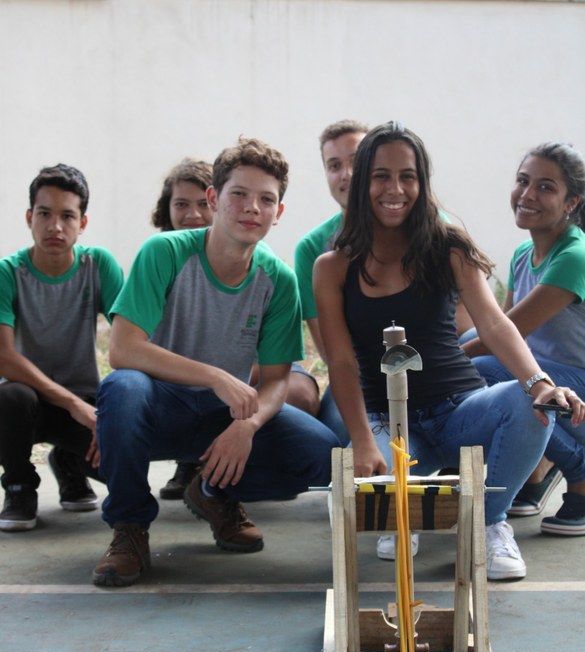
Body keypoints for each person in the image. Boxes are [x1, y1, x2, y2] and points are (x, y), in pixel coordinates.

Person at [313, 121, 585, 580]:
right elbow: (339, 361)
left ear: (422, 183)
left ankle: (489, 523)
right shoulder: (332, 267)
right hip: (389, 423)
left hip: (460, 410)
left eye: (408, 176)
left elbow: (495, 324)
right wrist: (360, 439)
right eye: (381, 176)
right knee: (382, 508)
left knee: (530, 402)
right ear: (362, 184)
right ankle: (409, 519)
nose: (395, 189)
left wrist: (539, 383)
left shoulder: (449, 247)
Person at [93, 137, 340, 587]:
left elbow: (277, 381)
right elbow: (123, 349)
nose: (252, 208)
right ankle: (129, 528)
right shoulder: (164, 252)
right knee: (122, 387)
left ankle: (212, 490)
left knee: (323, 454)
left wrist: (248, 426)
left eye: (266, 199)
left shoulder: (279, 280)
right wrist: (215, 376)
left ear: (278, 212)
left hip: (224, 416)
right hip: (159, 407)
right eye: (239, 194)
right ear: (214, 198)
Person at [463, 141, 585, 536]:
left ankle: (579, 469)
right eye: (523, 181)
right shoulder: (522, 254)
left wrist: (442, 362)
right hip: (554, 381)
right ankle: (537, 471)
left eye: (546, 187)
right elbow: (498, 328)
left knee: (482, 368)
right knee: (480, 351)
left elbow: (504, 335)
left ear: (572, 202)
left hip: (578, 389)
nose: (528, 194)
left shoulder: (574, 257)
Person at [0, 164, 124, 531]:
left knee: (118, 466)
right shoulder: (8, 273)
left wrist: (114, 413)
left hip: (85, 398)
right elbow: (4, 358)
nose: (55, 226)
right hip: (27, 401)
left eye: (67, 216)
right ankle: (19, 487)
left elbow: (132, 339)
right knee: (10, 397)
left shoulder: (98, 265)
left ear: (82, 223)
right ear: (29, 218)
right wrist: (71, 404)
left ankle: (69, 463)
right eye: (44, 214)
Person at [294, 119, 368, 445]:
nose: (346, 174)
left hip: (428, 373)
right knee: (332, 446)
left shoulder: (432, 228)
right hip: (356, 377)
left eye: (356, 161)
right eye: (334, 166)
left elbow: (462, 326)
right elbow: (328, 350)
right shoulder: (313, 249)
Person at [151, 158, 215, 500]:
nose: (193, 214)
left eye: (203, 204)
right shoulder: (158, 257)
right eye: (181, 204)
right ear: (167, 209)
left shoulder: (236, 255)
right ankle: (188, 463)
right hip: (173, 366)